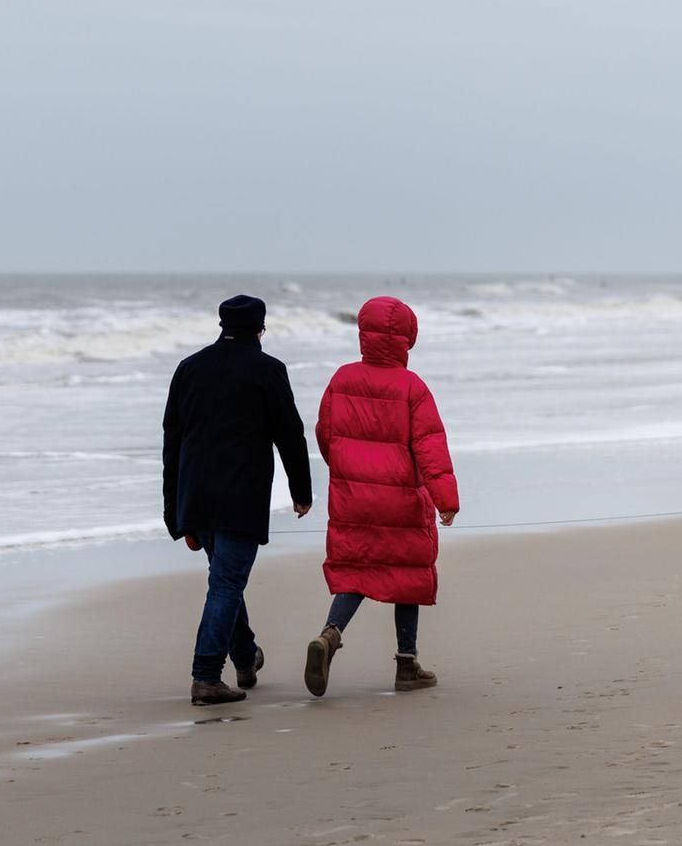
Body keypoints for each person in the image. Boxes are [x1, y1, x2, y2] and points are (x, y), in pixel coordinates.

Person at [304, 296, 459, 697]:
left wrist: (347, 467)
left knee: (356, 568)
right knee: (405, 573)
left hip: (353, 495)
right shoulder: (413, 387)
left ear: (364, 336)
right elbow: (430, 448)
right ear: (407, 339)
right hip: (401, 497)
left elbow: (325, 433)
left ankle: (330, 634)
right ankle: (406, 665)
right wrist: (446, 500)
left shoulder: (341, 379)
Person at [162, 294, 313, 706]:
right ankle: (206, 675)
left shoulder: (189, 369)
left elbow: (171, 441)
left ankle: (246, 658)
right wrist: (302, 492)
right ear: (260, 329)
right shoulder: (268, 370)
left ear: (221, 324)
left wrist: (173, 509)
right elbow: (290, 435)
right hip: (240, 497)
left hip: (195, 496)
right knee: (226, 584)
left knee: (225, 580)